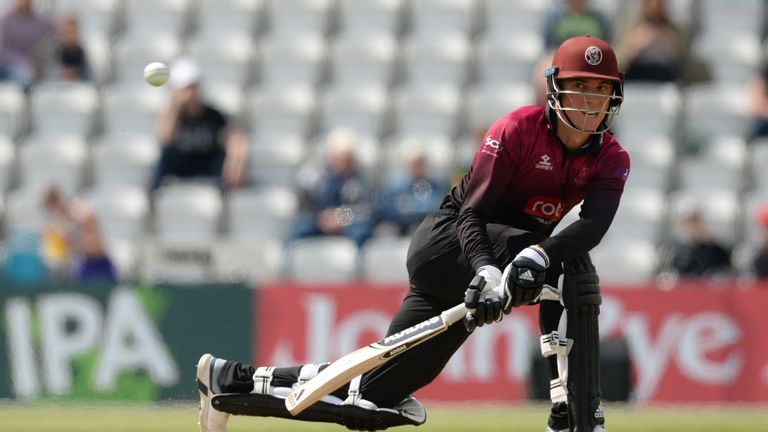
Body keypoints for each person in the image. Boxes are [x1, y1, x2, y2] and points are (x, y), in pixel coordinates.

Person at [195, 35, 629, 432]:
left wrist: (532, 259)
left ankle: (229, 382)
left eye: (600, 89)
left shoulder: (612, 157)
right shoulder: (516, 130)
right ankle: (581, 417)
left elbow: (592, 226)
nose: (591, 102)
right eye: (580, 87)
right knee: (570, 267)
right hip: (448, 246)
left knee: (367, 398)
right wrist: (488, 270)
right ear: (555, 89)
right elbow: (472, 213)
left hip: (490, 267)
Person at [151, 58, 248, 192]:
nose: (190, 93)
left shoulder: (213, 115)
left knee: (223, 158)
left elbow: (234, 137)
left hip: (207, 165)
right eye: (186, 88)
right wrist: (175, 106)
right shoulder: (173, 116)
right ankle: (155, 198)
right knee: (165, 156)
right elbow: (165, 138)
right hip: (181, 165)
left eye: (192, 87)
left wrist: (235, 156)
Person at [289, 128, 374, 247]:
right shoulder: (314, 176)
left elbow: (366, 210)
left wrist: (340, 218)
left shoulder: (360, 179)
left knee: (362, 231)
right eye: (342, 157)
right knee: (301, 227)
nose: (346, 162)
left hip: (348, 224)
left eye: (349, 157)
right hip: (318, 221)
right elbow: (303, 206)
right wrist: (322, 218)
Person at [41, 184, 118, 283]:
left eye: (54, 209)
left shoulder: (82, 214)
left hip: (99, 265)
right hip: (82, 263)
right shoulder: (62, 221)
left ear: (58, 203)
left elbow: (96, 245)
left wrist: (70, 240)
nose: (56, 214)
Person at [375, 147, 445, 237]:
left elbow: (434, 208)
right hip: (397, 225)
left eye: (420, 163)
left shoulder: (434, 186)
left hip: (422, 225)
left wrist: (411, 211)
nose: (417, 167)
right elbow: (386, 209)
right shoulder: (396, 185)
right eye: (414, 164)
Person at [613, 0, 683, 83]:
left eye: (659, 4)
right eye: (651, 4)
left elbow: (681, 60)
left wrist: (668, 42)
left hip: (665, 77)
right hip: (637, 77)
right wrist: (637, 44)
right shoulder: (631, 27)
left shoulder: (671, 30)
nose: (655, 8)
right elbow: (618, 59)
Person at [663, 201, 732, 278]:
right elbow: (671, 271)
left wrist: (711, 240)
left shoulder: (712, 248)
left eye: (695, 221)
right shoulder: (675, 249)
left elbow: (726, 263)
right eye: (689, 222)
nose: (693, 225)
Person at [0, 0, 56, 90]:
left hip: (32, 68)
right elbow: (3, 52)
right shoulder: (5, 20)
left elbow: (57, 30)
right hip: (7, 67)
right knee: (23, 76)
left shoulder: (41, 21)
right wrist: (24, 64)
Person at [543, 0, 611, 50]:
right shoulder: (556, 18)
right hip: (563, 60)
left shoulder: (598, 19)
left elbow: (606, 45)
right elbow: (549, 47)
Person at [54, 15, 91, 82]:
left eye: (72, 32)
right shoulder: (55, 51)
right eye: (66, 32)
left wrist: (75, 75)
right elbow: (50, 75)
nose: (69, 35)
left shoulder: (81, 51)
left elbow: (89, 76)